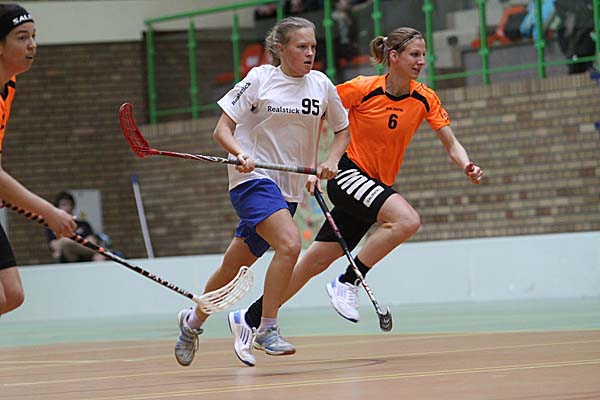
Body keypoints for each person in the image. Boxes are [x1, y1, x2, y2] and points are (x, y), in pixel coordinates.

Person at [228, 26, 484, 366]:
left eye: (423, 55)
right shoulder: (362, 88)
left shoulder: (425, 97)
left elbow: (451, 142)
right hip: (349, 174)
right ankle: (347, 281)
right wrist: (316, 166)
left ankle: (250, 317)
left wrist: (467, 164)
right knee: (407, 220)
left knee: (311, 264)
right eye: (414, 55)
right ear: (394, 57)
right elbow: (315, 116)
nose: (421, 61)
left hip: (374, 187)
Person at [173, 16, 350, 367]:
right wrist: (239, 154)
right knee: (290, 244)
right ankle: (267, 327)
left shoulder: (321, 85)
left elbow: (341, 130)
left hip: (289, 190)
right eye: (301, 46)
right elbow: (222, 130)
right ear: (280, 49)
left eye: (313, 46)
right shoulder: (260, 79)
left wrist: (329, 161)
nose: (310, 53)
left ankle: (191, 323)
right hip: (252, 180)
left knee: (233, 266)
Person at [0, 3, 76, 317]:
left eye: (33, 36)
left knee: (12, 295)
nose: (32, 45)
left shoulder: (8, 86)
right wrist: (48, 211)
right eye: (21, 37)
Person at [47, 191, 107, 263]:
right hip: (68, 259)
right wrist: (72, 242)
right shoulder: (53, 226)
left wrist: (68, 242)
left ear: (72, 207)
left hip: (86, 257)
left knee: (99, 256)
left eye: (68, 204)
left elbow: (92, 244)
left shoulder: (83, 224)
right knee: (62, 250)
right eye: (63, 205)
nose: (66, 208)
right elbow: (54, 246)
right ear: (58, 208)